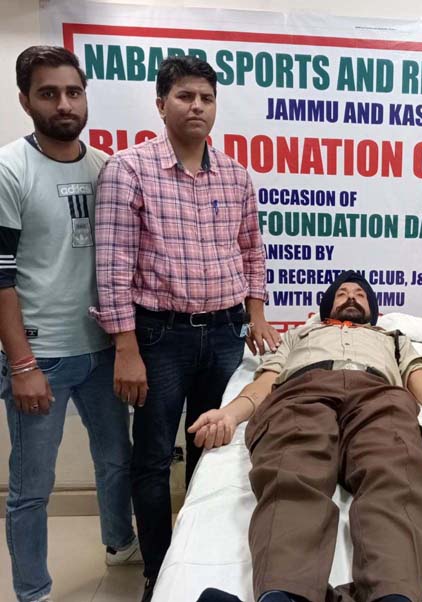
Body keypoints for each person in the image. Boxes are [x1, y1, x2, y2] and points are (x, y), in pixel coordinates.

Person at [187, 271, 422, 602]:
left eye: (360, 294)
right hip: (302, 390)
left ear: (372, 308)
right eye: (342, 293)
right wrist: (229, 414)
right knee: (291, 467)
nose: (352, 297)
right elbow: (265, 382)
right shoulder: (300, 335)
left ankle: (391, 594)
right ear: (327, 307)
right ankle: (284, 594)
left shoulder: (393, 337)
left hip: (379, 393)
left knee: (395, 469)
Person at [92, 55, 279, 601]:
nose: (196, 106)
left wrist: (257, 312)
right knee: (152, 457)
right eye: (184, 96)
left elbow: (251, 248)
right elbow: (113, 266)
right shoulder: (129, 169)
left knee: (215, 449)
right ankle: (159, 570)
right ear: (161, 104)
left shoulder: (236, 174)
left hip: (224, 334)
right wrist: (125, 348)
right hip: (158, 337)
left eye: (206, 98)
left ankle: (200, 562)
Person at [0, 46, 139, 602]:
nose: (63, 104)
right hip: (42, 357)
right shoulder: (10, 169)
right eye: (48, 93)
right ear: (25, 100)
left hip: (101, 348)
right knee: (32, 488)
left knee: (115, 458)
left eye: (73, 92)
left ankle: (118, 541)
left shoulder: (105, 168)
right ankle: (33, 591)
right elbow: (1, 281)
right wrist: (23, 365)